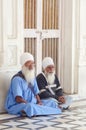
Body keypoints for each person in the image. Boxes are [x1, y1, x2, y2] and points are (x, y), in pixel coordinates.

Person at [5, 53, 62, 118]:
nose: (31, 66)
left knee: (51, 102)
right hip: (19, 105)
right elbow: (18, 99)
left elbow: (36, 93)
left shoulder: (31, 77)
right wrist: (31, 104)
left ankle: (41, 110)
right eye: (29, 64)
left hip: (33, 103)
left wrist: (39, 102)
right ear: (23, 65)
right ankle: (54, 110)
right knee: (30, 107)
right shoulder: (17, 79)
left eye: (32, 64)